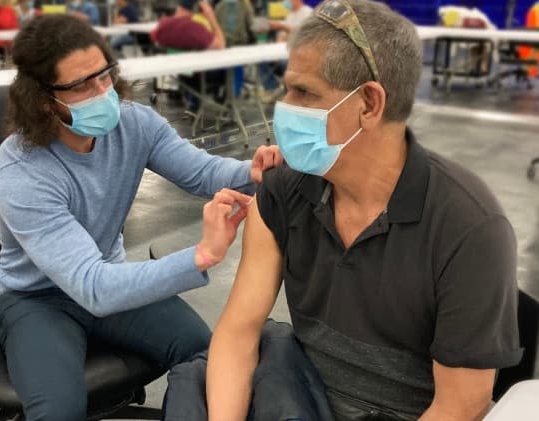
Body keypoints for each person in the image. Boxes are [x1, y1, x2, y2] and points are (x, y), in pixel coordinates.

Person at [163, 1, 522, 420]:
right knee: (198, 384)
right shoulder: (283, 191)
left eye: (304, 92)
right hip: (300, 393)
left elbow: (460, 404)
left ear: (369, 103)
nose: (284, 107)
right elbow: (239, 332)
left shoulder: (467, 226)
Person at [0, 14, 282, 421]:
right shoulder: (21, 172)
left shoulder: (134, 124)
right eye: (82, 85)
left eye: (105, 75)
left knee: (207, 356)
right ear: (43, 100)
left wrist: (251, 173)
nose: (103, 91)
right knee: (56, 409)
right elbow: (94, 287)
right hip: (38, 300)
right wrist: (201, 255)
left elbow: (200, 172)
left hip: (109, 282)